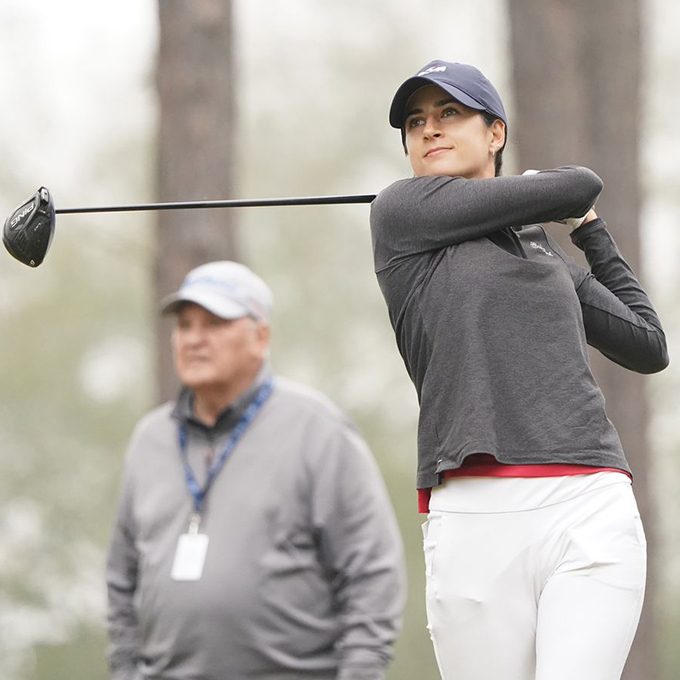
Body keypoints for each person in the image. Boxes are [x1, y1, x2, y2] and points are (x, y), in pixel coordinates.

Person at [370, 60, 669, 680]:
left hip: (588, 501)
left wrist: (590, 232)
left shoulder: (540, 247)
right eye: (415, 123)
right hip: (475, 513)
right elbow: (578, 179)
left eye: (449, 114)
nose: (429, 130)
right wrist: (563, 195)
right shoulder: (403, 213)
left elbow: (647, 343)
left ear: (495, 134)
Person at [105, 261, 406, 680]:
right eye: (185, 325)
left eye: (214, 324)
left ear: (260, 336)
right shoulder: (149, 440)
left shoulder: (318, 430)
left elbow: (372, 573)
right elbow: (122, 578)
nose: (194, 339)